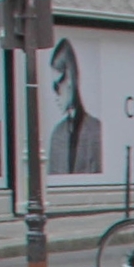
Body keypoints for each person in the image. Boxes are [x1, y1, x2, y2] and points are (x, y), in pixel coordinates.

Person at [45, 38, 102, 175]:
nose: (55, 93)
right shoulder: (57, 134)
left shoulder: (95, 129)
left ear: (70, 80)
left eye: (57, 85)